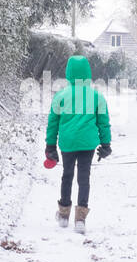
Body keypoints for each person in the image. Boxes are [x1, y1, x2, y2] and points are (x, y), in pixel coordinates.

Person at [44, 55, 111, 233]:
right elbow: (103, 122)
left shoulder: (61, 96)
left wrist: (50, 146)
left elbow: (53, 123)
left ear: (69, 73)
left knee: (67, 175)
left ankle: (64, 215)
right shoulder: (97, 96)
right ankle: (80, 219)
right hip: (88, 143)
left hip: (67, 142)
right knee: (84, 178)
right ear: (88, 73)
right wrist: (105, 144)